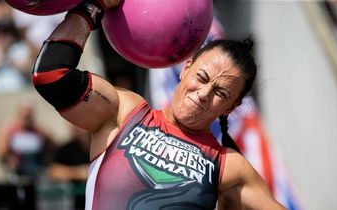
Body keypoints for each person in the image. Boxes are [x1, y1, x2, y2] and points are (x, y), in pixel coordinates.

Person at [30, 0, 286, 209]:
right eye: (202, 77)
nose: (204, 93)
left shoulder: (229, 167)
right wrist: (91, 9)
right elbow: (51, 76)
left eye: (220, 92)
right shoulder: (124, 112)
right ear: (186, 69)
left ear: (232, 106)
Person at [0, 101, 54, 182]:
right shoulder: (10, 130)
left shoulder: (38, 130)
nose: (26, 115)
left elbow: (52, 146)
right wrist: (10, 158)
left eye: (28, 113)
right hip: (17, 170)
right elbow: (2, 150)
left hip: (36, 170)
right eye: (23, 113)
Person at [47, 125, 90, 210]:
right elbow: (53, 171)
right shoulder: (66, 149)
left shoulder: (103, 146)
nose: (82, 131)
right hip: (75, 202)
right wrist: (79, 173)